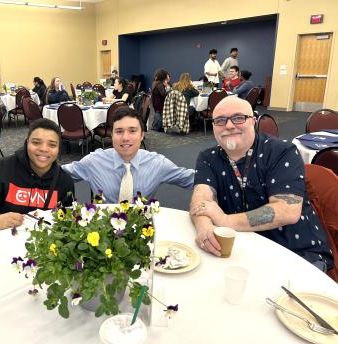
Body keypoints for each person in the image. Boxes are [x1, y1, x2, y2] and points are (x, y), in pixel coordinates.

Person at [189, 96, 333, 272]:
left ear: (253, 122)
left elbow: (287, 210)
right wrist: (203, 225)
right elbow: (201, 199)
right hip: (242, 248)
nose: (228, 126)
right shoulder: (208, 158)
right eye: (220, 120)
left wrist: (225, 220)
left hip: (295, 251)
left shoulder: (281, 152)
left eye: (238, 118)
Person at [0, 118, 75, 236]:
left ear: (59, 149)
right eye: (36, 142)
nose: (44, 149)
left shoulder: (64, 182)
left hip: (42, 247)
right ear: (27, 143)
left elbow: (67, 221)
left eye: (52, 145)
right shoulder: (1, 170)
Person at [63, 107, 194, 203]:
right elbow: (57, 174)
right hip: (101, 233)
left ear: (142, 135)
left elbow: (192, 179)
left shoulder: (157, 163)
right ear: (112, 135)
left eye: (132, 131)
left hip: (142, 230)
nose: (125, 138)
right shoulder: (94, 161)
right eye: (119, 131)